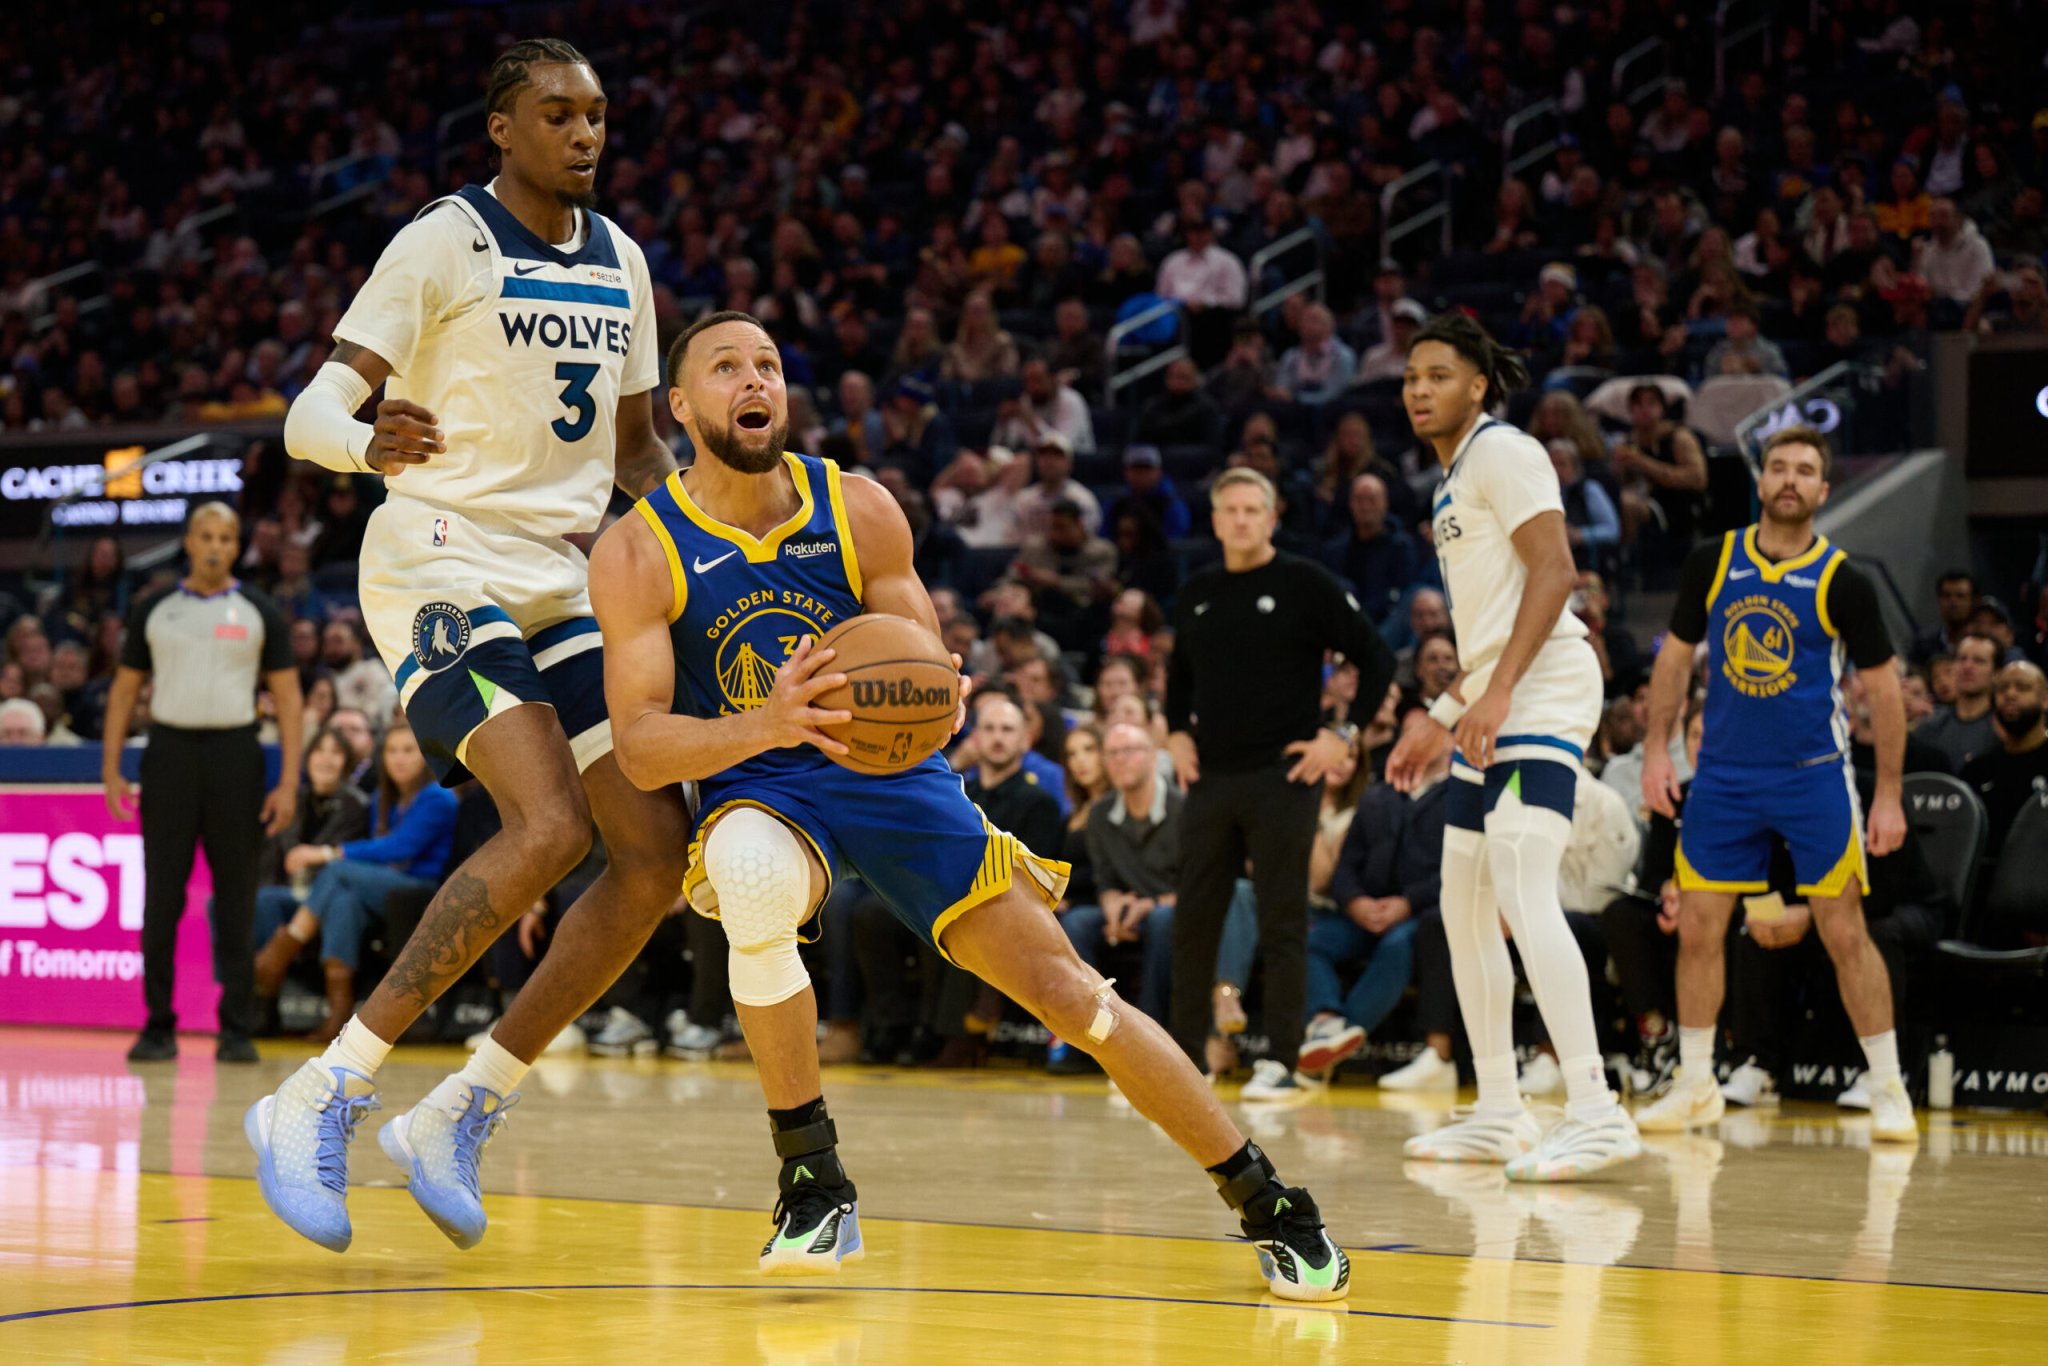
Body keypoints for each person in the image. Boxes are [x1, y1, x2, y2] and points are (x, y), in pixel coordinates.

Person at [591, 311, 1352, 1299]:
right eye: (726, 367)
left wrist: (939, 693)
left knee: (1075, 997)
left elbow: (926, 662)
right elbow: (642, 745)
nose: (754, 380)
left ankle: (1267, 1199)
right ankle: (813, 1180)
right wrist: (767, 722)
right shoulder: (639, 549)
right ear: (680, 406)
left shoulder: (857, 506)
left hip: (892, 779)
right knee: (747, 878)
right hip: (764, 780)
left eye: (768, 364)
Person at [252, 40, 695, 1256]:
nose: (584, 133)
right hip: (439, 554)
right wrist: (363, 444)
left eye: (596, 115)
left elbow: (636, 454)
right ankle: (322, 1089)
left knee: (652, 855)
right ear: (501, 127)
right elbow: (308, 412)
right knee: (547, 824)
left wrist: (717, 542)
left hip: (562, 574)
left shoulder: (624, 260)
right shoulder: (442, 240)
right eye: (557, 114)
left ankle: (459, 1106)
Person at [1384, 312, 1642, 1180]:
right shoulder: (1452, 480)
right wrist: (1441, 712)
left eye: (1438, 375)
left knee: (1525, 889)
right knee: (1462, 902)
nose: (1419, 389)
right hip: (1496, 690)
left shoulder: (1503, 452)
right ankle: (1499, 1109)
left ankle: (1597, 1110)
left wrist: (1491, 696)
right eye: (1411, 376)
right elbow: (1489, 628)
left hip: (1545, 687)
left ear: (1478, 385)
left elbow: (1557, 572)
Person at [1634, 425, 1917, 1144]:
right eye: (1779, 467)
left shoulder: (1844, 579)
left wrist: (1888, 793)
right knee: (1699, 927)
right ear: (1760, 482)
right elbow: (1675, 660)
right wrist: (1657, 751)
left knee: (1844, 930)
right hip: (1723, 777)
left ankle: (1889, 1087)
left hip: (1811, 776)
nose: (1790, 479)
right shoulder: (1713, 561)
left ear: (1824, 490)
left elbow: (1885, 691)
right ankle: (1696, 1084)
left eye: (1805, 470)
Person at [1166, 468, 1398, 1102]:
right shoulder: (1197, 592)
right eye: (1231, 509)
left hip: (1284, 775)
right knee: (1194, 919)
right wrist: (1176, 732)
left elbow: (1377, 657)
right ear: (1215, 520)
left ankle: (1284, 1059)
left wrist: (1342, 735)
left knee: (1282, 919)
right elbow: (1178, 677)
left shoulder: (1305, 583)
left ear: (1272, 519)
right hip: (1212, 777)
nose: (1241, 520)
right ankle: (1183, 1060)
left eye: (1253, 510)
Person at [102, 503, 304, 1065]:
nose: (216, 546)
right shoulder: (154, 608)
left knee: (236, 897)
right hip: (169, 755)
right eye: (206, 536)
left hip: (236, 757)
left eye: (226, 537)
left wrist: (289, 782)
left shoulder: (260, 610)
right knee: (161, 897)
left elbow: (289, 699)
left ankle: (236, 1028)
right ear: (189, 542)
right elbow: (124, 690)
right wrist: (110, 769)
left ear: (237, 546)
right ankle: (157, 1025)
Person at [273, 720, 460, 1040]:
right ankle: (339, 1011)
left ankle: (285, 946)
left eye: (408, 751)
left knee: (337, 871)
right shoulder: (383, 799)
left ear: (425, 757)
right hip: (382, 886)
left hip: (422, 889)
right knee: (343, 902)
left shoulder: (437, 798)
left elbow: (399, 847)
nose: (399, 759)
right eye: (392, 751)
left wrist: (328, 852)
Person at [252, 728, 372, 1000]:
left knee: (342, 905)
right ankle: (261, 1000)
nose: (326, 759)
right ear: (307, 759)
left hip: (327, 894)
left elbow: (350, 860)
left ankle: (277, 968)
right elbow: (271, 858)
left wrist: (315, 855)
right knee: (262, 900)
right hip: (289, 890)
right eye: (319, 750)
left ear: (346, 762)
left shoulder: (358, 806)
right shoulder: (290, 801)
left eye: (336, 752)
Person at [1960, 662, 2048, 866]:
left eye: (2022, 687)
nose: (2010, 694)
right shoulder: (1977, 770)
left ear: (2045, 699)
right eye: (2002, 689)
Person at [1916, 633, 2000, 770]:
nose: (1967, 666)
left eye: (1979, 661)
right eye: (1962, 659)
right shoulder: (1929, 727)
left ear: (1996, 673)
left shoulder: (2004, 730)